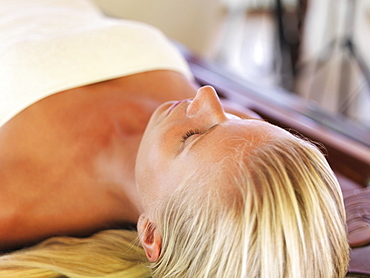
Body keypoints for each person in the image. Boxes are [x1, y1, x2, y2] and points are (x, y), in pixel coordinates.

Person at [0, 0, 349, 277]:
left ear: (151, 234)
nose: (209, 97)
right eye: (234, 119)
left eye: (192, 137)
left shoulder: (13, 201)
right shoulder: (242, 148)